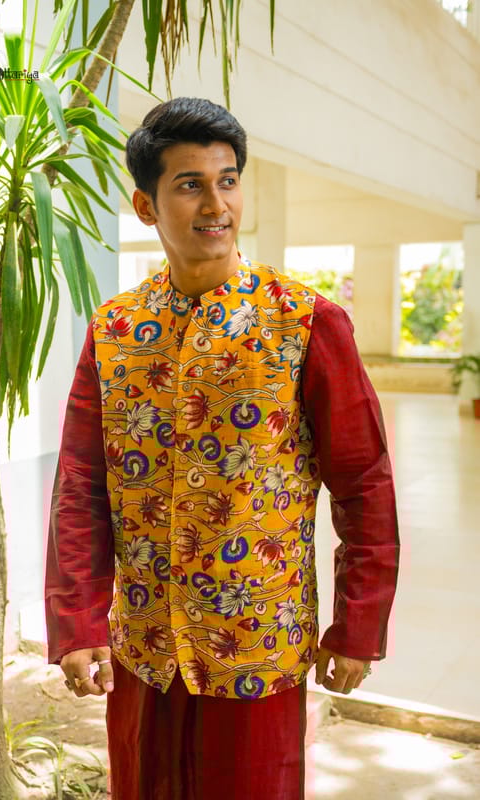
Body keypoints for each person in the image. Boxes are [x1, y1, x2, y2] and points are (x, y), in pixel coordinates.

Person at [45, 97, 400, 800]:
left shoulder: (305, 322)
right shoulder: (114, 330)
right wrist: (78, 620)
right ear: (145, 206)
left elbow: (364, 482)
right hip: (146, 646)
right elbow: (81, 483)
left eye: (228, 180)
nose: (216, 204)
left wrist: (358, 624)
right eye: (190, 185)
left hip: (256, 642)